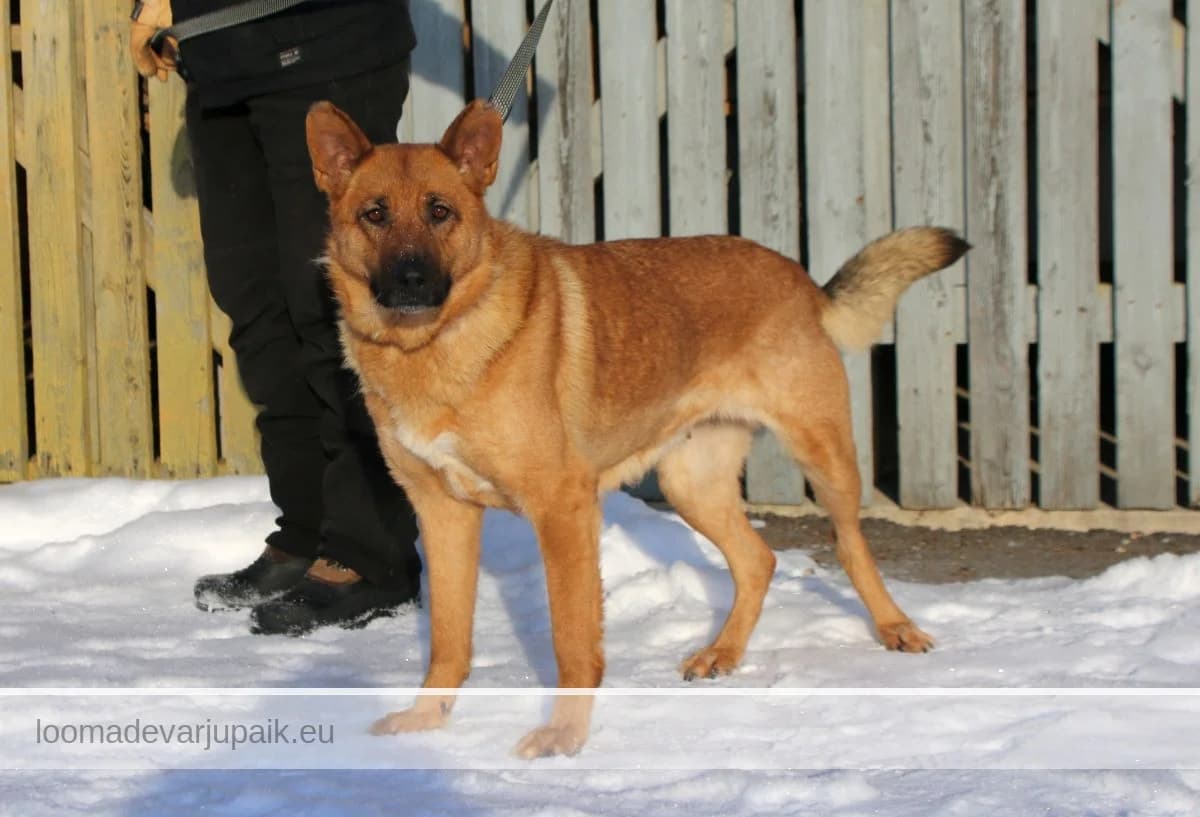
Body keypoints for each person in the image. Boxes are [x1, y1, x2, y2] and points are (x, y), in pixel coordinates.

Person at [130, 0, 424, 635]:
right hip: (219, 57)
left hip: (327, 40)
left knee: (330, 309)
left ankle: (369, 553)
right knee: (256, 307)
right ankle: (308, 530)